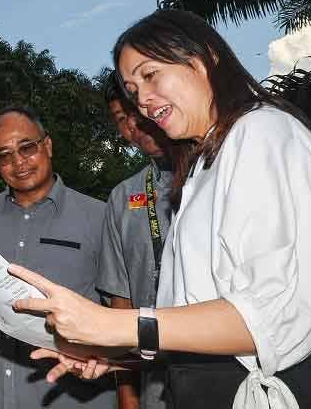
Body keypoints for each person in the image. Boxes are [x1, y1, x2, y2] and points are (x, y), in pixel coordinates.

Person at [7, 9, 311, 409]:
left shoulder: (261, 133)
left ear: (206, 56)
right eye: (134, 91)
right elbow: (201, 324)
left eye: (150, 75)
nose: (143, 101)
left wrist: (111, 324)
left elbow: (274, 316)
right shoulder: (203, 166)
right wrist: (114, 353)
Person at [0, 105, 115, 409]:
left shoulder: (100, 217)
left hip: (77, 397)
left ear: (47, 145)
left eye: (27, 147)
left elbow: (122, 309)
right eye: (4, 155)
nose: (18, 162)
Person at [97, 80, 172, 409]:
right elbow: (120, 303)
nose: (134, 124)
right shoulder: (124, 197)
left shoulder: (217, 174)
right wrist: (128, 398)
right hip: (156, 384)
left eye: (136, 110)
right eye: (120, 118)